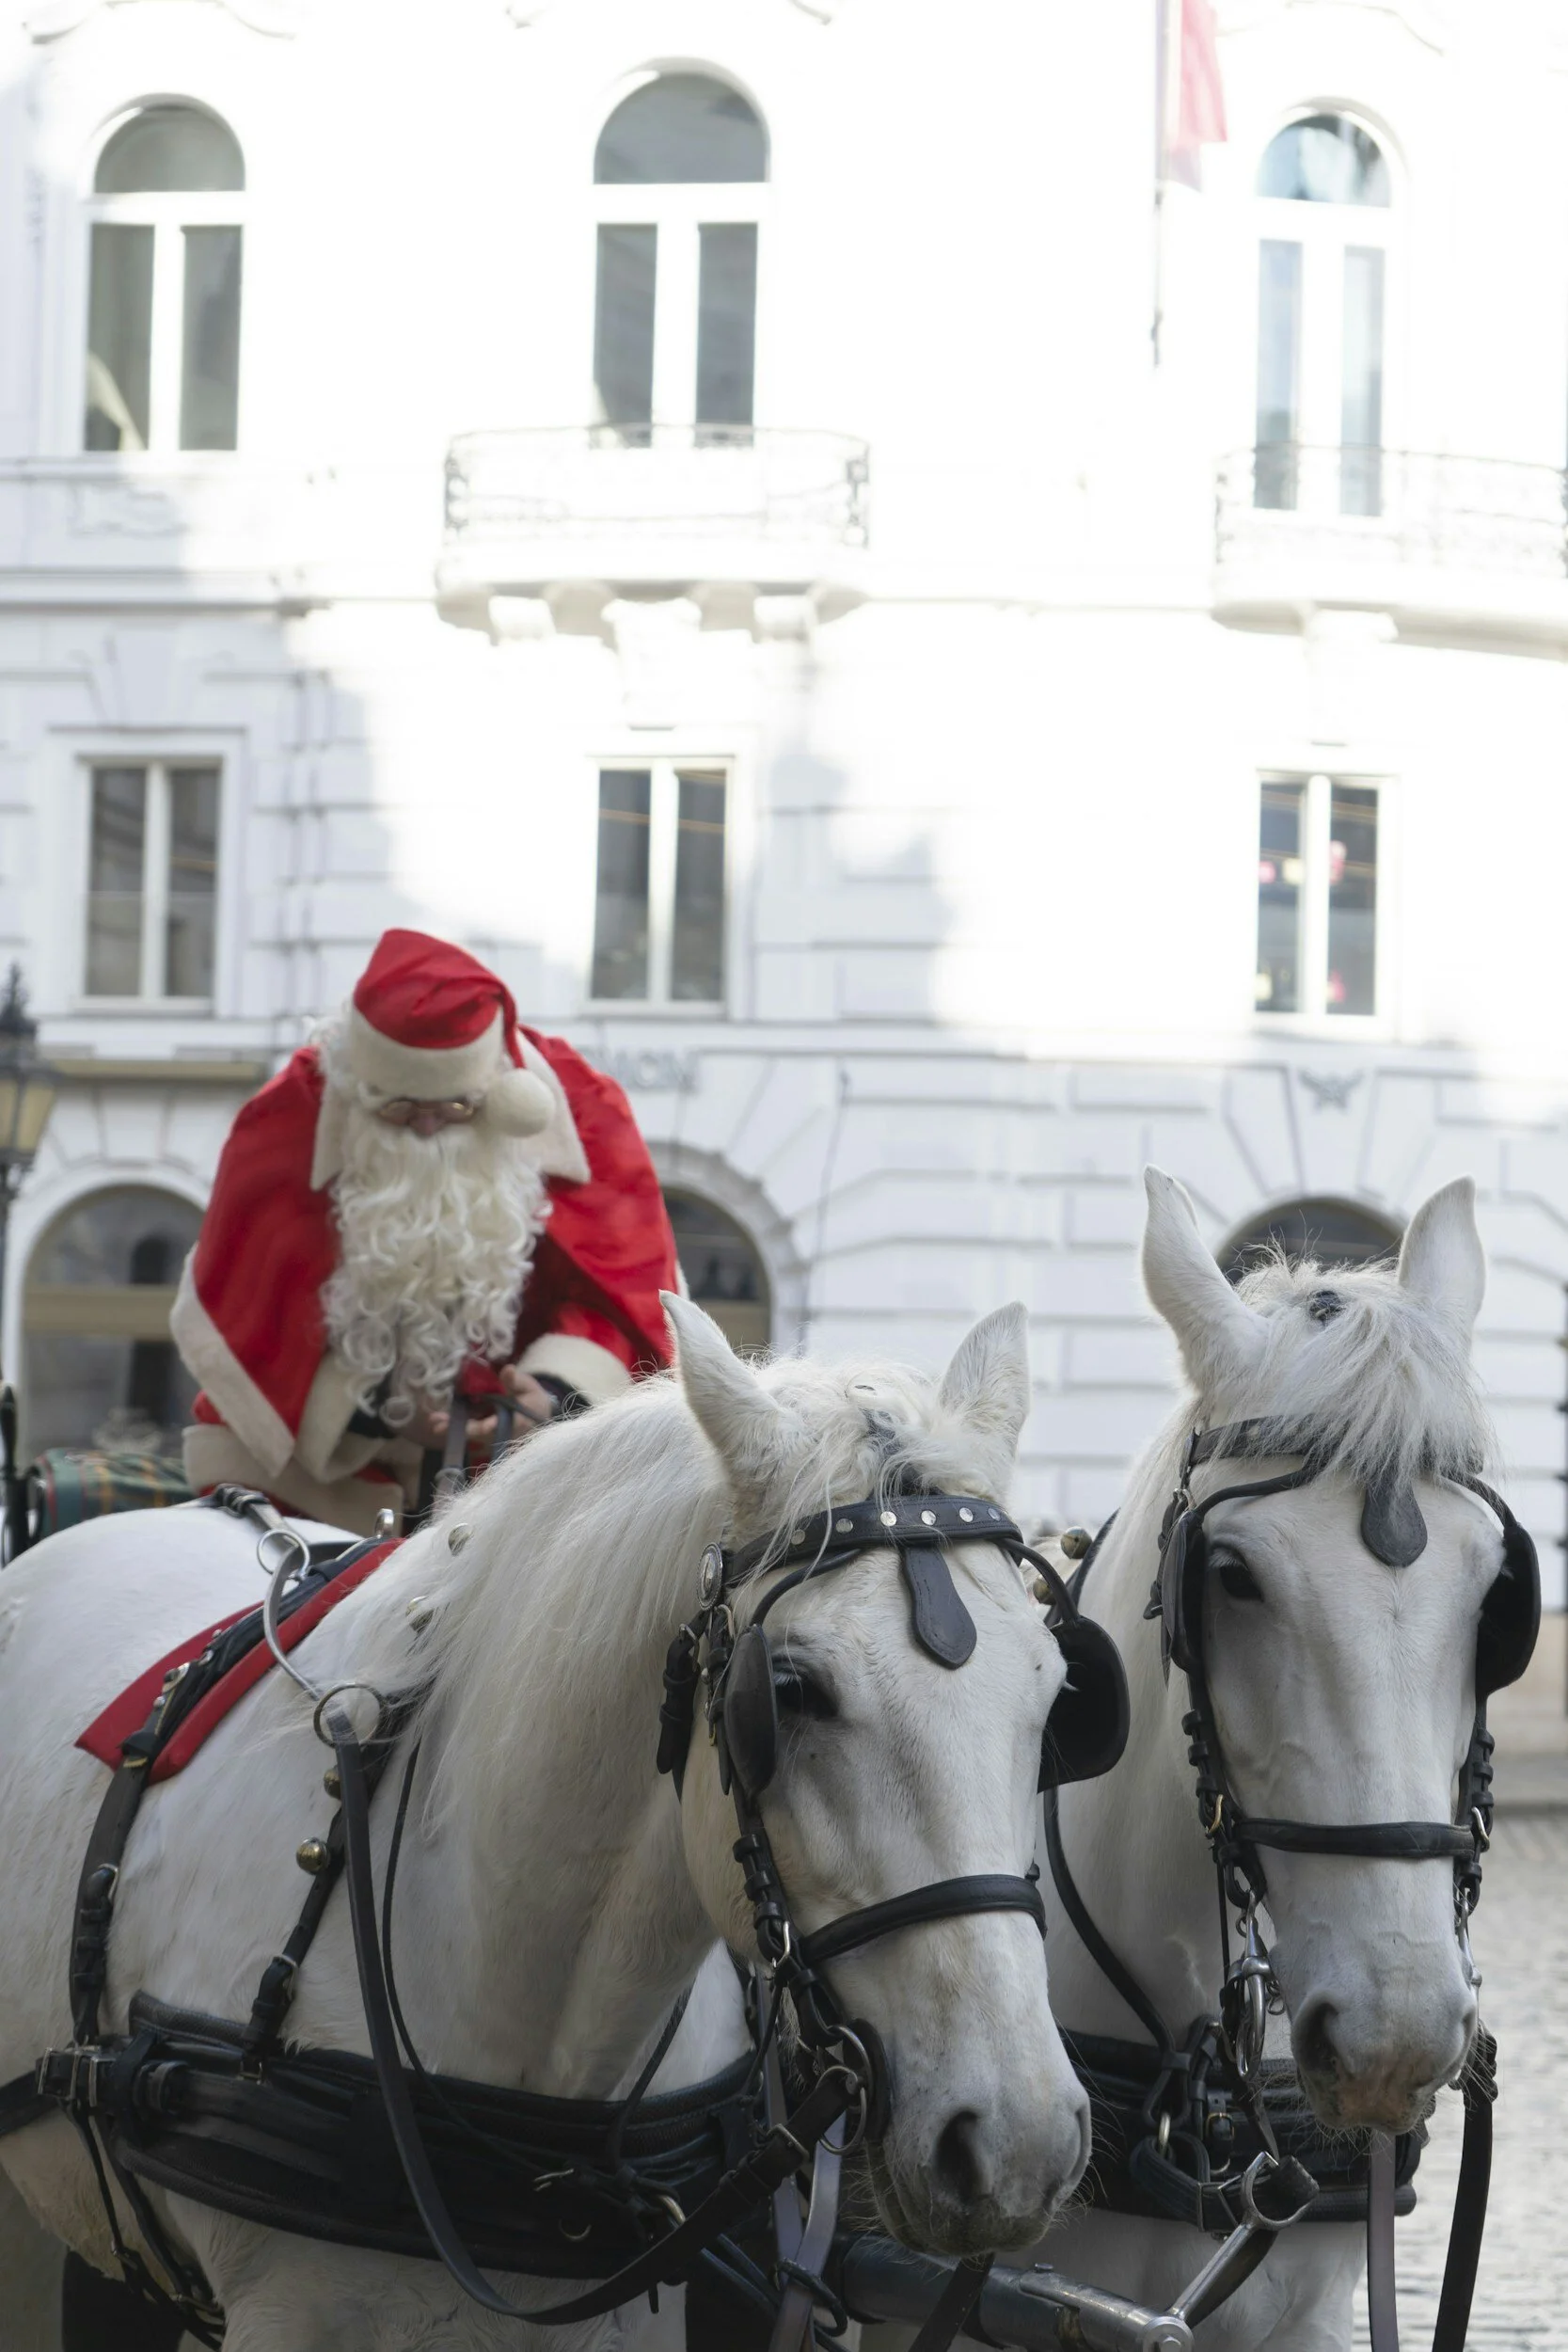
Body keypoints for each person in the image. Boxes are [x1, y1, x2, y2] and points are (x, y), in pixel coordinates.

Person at [171, 929, 679, 1534]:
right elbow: (253, 1312)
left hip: (530, 1483)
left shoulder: (582, 1107)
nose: (428, 1131)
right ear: (361, 1088)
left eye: (455, 1111)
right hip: (315, 1489)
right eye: (400, 1111)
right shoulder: (289, 1119)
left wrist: (549, 1397)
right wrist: (381, 1409)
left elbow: (623, 1292)